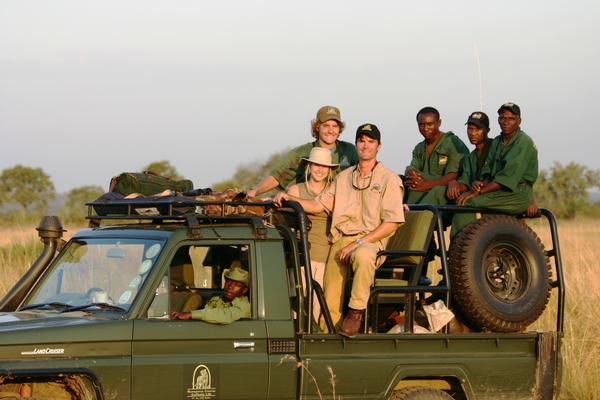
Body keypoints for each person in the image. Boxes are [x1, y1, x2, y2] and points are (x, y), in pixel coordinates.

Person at [274, 123, 405, 338]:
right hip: (341, 239)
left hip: (371, 240)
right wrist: (288, 198)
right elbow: (317, 205)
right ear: (356, 144)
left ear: (378, 146)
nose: (365, 145)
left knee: (363, 256)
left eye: (370, 141)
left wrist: (358, 243)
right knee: (330, 290)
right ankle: (329, 334)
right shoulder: (343, 178)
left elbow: (392, 223)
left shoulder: (389, 179)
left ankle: (355, 312)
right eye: (361, 141)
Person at [451, 102, 538, 236]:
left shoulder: (522, 142)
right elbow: (488, 171)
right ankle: (465, 245)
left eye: (511, 119)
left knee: (468, 203)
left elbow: (507, 178)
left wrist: (478, 192)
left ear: (519, 121)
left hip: (516, 193)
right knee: (465, 204)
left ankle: (459, 246)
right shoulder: (497, 141)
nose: (506, 122)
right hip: (499, 192)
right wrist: (480, 185)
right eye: (502, 118)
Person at [247, 105, 358, 197]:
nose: (331, 130)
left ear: (339, 129)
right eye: (326, 126)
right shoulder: (301, 153)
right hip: (307, 206)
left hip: (340, 205)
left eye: (335, 126)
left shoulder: (350, 150)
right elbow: (277, 176)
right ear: (317, 127)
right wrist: (254, 192)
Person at [286, 146, 339, 324]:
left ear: (330, 169)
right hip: (300, 254)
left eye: (324, 166)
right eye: (316, 165)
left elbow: (315, 207)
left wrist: (288, 199)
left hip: (324, 254)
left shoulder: (333, 191)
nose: (320, 170)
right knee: (296, 303)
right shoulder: (296, 189)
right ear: (309, 166)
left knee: (316, 306)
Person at [404, 107, 469, 205]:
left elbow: (452, 176)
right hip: (422, 188)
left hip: (446, 190)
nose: (425, 128)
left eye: (430, 124)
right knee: (400, 181)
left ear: (439, 123)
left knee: (437, 191)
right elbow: (414, 168)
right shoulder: (420, 148)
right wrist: (410, 171)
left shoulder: (453, 143)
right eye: (421, 125)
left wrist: (425, 185)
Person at [170, 267, 250, 324]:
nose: (230, 287)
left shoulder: (245, 306)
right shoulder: (217, 297)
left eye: (237, 285)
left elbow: (224, 315)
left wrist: (191, 314)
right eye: (228, 282)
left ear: (244, 290)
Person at [446, 111, 493, 201]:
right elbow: (465, 182)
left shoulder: (495, 148)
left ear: (487, 130)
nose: (473, 133)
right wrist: (453, 183)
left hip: (490, 194)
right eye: (470, 129)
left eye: (478, 129)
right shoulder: (470, 157)